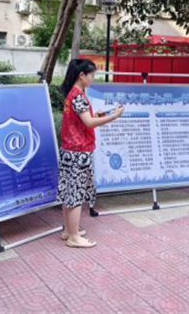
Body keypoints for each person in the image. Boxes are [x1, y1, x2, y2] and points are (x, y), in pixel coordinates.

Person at [58, 59, 124, 248]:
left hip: (69, 150)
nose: (93, 78)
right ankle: (74, 237)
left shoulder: (72, 94)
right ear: (82, 75)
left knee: (69, 192)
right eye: (92, 75)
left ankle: (69, 230)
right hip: (78, 152)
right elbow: (88, 123)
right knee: (76, 194)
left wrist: (95, 116)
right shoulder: (78, 96)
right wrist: (114, 116)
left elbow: (81, 120)